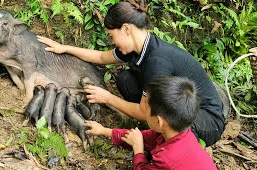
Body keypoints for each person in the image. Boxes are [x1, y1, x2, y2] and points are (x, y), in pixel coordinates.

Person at [37, 0, 226, 146]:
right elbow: (102, 57)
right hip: (175, 106)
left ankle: (165, 146)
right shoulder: (138, 47)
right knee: (126, 79)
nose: (113, 42)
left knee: (168, 132)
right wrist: (64, 48)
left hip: (206, 120)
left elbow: (145, 112)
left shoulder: (156, 62)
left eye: (112, 36)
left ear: (126, 29)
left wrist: (108, 98)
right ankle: (153, 129)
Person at [84, 76, 222, 170]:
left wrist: (138, 151)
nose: (143, 110)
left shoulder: (167, 159)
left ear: (158, 120)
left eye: (147, 108)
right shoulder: (179, 133)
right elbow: (141, 137)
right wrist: (103, 131)